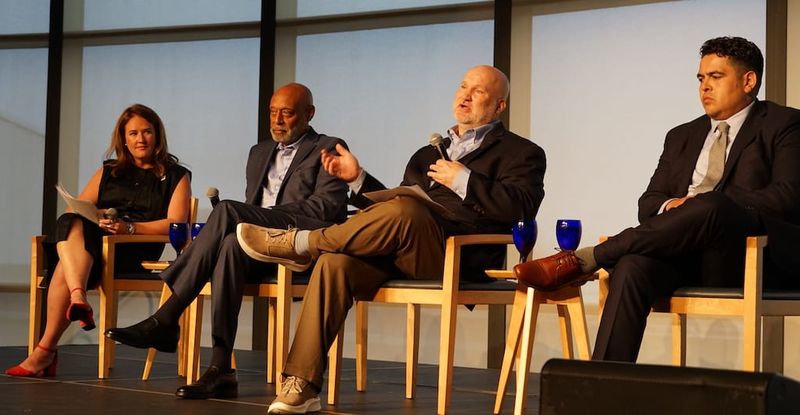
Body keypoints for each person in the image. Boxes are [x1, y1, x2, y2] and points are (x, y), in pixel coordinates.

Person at [236, 65, 546, 414]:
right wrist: (358, 179)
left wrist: (465, 180)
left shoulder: (523, 153)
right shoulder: (427, 153)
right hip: (405, 246)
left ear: (499, 106)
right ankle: (302, 384)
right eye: (463, 87)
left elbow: (522, 206)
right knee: (335, 262)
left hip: (455, 256)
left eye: (479, 91)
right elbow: (393, 207)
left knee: (405, 213)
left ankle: (301, 242)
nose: (466, 95)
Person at [515, 36, 800, 362]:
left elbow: (787, 197)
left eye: (716, 77)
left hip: (745, 258)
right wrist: (670, 207)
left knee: (711, 203)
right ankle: (602, 388)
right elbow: (649, 202)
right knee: (632, 266)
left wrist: (708, 207)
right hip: (685, 254)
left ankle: (585, 259)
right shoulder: (682, 135)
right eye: (701, 78)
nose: (704, 87)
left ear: (748, 80)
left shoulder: (785, 124)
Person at [105, 83, 349, 400]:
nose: (277, 120)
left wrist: (266, 215)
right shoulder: (259, 152)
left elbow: (327, 208)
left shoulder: (328, 147)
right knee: (231, 244)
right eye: (272, 113)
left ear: (309, 114)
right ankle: (221, 369)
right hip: (257, 242)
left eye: (286, 113)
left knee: (228, 211)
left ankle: (167, 316)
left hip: (300, 240)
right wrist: (254, 219)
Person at [5, 104, 192, 377]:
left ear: (157, 135)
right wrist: (101, 215)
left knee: (64, 268)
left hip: (132, 249)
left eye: (147, 132)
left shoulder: (176, 175)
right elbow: (76, 210)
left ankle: (48, 347)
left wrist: (129, 228)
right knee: (69, 220)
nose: (141, 139)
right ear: (124, 139)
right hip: (95, 246)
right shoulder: (109, 171)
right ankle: (76, 299)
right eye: (134, 133)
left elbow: (175, 223)